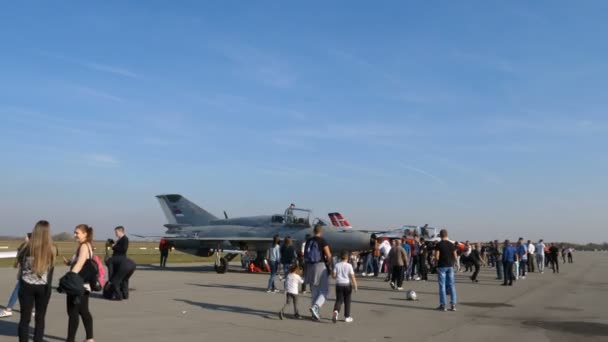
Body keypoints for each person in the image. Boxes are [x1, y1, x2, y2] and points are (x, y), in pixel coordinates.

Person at [16, 221, 56, 342]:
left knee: (24, 318)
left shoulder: (25, 247)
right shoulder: (52, 248)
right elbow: (51, 269)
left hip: (26, 285)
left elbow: (19, 262)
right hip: (43, 287)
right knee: (40, 318)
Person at [64, 224, 95, 342]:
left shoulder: (84, 246)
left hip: (77, 285)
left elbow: (80, 263)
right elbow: (80, 262)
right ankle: (90, 339)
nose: (75, 235)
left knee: (73, 313)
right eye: (75, 232)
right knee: (84, 311)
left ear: (85, 234)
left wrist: (69, 278)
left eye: (77, 233)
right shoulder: (87, 245)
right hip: (84, 284)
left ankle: (70, 340)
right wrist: (69, 263)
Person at [304, 224, 332, 321]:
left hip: (310, 266)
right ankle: (316, 307)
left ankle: (314, 314)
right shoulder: (322, 241)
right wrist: (329, 264)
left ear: (313, 231)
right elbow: (328, 255)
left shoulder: (308, 241)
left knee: (314, 291)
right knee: (324, 290)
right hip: (320, 265)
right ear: (321, 231)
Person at [1, 233, 32, 318]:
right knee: (25, 291)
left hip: (27, 274)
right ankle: (30, 309)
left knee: (19, 290)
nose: (25, 238)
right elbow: (20, 258)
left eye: (27, 236)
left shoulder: (30, 248)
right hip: (24, 273)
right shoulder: (24, 246)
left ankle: (9, 309)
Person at [332, 250, 358, 323]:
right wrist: (355, 285)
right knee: (347, 301)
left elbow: (334, 276)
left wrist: (337, 276)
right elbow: (352, 277)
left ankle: (336, 311)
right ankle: (347, 316)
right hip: (347, 285)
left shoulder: (337, 265)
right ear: (347, 257)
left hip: (339, 284)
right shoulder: (349, 266)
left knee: (339, 300)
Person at [434, 229, 457, 311]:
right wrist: (455, 263)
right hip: (450, 266)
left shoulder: (438, 245)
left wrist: (436, 263)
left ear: (440, 235)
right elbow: (455, 255)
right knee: (451, 285)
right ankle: (453, 304)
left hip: (442, 266)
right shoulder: (452, 244)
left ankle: (443, 305)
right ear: (447, 235)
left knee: (442, 285)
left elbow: (436, 257)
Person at [107, 226, 130, 300]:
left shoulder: (125, 239)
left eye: (116, 232)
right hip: (117, 260)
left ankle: (123, 294)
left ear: (121, 231)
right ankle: (124, 294)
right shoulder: (120, 239)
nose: (115, 234)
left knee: (121, 278)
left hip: (120, 260)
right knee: (122, 279)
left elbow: (123, 249)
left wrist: (113, 246)